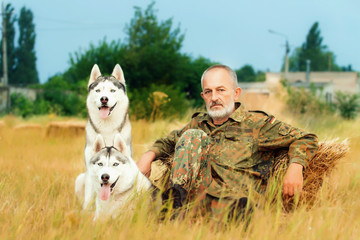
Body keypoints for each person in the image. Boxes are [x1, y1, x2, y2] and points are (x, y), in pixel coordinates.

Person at [137, 64, 318, 219]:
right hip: (196, 202)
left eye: (221, 90)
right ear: (203, 96)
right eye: (209, 92)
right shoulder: (198, 124)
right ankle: (175, 205)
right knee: (192, 136)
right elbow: (169, 141)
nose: (214, 97)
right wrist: (148, 156)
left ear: (236, 93)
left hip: (236, 205)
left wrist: (295, 168)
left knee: (239, 210)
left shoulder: (257, 124)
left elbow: (306, 138)